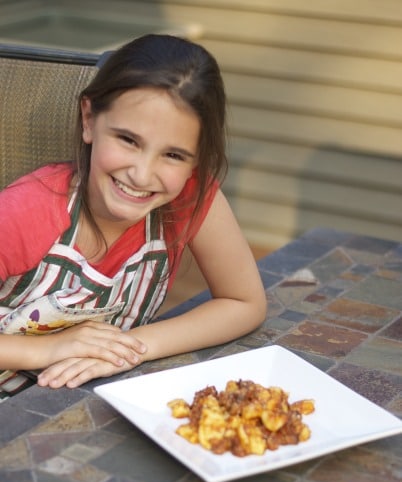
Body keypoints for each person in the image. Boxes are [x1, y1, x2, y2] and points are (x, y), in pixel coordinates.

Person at [0, 34, 266, 392]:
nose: (141, 175)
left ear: (197, 160)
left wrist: (132, 348)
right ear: (90, 118)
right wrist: (48, 349)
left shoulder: (190, 198)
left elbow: (243, 302)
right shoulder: (23, 213)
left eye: (173, 155)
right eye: (128, 140)